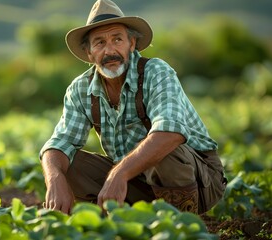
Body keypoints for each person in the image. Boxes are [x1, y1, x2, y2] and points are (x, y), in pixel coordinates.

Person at [39, 0, 226, 215]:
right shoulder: (81, 89)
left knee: (165, 149)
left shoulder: (156, 72)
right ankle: (121, 218)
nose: (110, 51)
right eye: (99, 43)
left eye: (117, 39)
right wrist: (54, 179)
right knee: (66, 163)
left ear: (132, 43)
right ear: (89, 53)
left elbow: (171, 132)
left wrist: (119, 173)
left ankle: (180, 223)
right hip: (136, 182)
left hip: (201, 181)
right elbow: (59, 143)